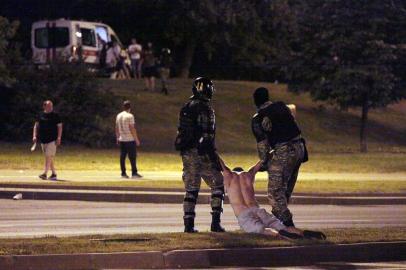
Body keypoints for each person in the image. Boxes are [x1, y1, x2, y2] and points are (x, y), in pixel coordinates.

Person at [218, 156, 326, 240]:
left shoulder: (228, 175)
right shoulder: (248, 175)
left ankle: (279, 235)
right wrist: (270, 152)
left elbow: (221, 163)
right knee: (283, 226)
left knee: (262, 230)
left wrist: (211, 149)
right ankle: (302, 233)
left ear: (233, 171)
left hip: (244, 214)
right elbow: (260, 163)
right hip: (258, 209)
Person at [251, 87, 308, 232]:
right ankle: (279, 220)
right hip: (300, 148)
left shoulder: (258, 118)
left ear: (256, 101)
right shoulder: (282, 107)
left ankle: (289, 227)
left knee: (275, 192)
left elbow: (263, 144)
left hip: (284, 151)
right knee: (284, 189)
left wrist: (264, 162)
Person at [174, 77, 225, 233]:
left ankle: (188, 225)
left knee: (191, 189)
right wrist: (214, 158)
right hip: (202, 152)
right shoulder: (205, 108)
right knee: (218, 184)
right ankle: (215, 223)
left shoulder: (186, 107)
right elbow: (207, 134)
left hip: (187, 152)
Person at [32, 100, 63, 181]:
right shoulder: (40, 115)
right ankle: (53, 174)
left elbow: (60, 127)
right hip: (43, 139)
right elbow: (36, 126)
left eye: (51, 106)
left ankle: (45, 173)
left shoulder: (56, 115)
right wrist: (34, 135)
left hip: (53, 140)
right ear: (44, 106)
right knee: (49, 157)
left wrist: (59, 137)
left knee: (48, 156)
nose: (50, 108)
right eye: (48, 106)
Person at [115, 100, 142, 179]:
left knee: (122, 156)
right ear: (130, 107)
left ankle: (123, 173)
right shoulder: (130, 116)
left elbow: (116, 127)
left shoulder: (119, 115)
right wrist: (136, 139)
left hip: (122, 139)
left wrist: (117, 137)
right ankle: (134, 172)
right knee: (132, 156)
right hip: (129, 139)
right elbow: (132, 128)